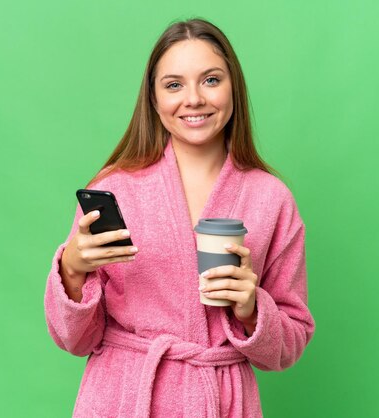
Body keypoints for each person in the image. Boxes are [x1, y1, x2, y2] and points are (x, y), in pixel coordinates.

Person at [44, 18, 315, 417]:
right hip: (124, 397)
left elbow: (291, 340)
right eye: (173, 85)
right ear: (153, 100)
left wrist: (251, 308)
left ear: (233, 89)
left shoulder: (271, 198)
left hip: (221, 399)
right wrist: (72, 269)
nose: (193, 99)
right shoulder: (115, 188)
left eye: (210, 80)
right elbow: (75, 340)